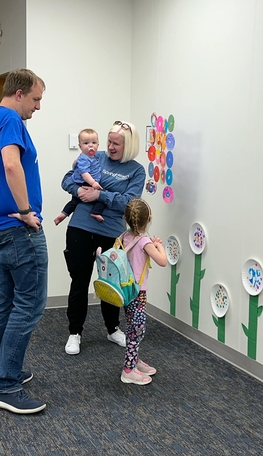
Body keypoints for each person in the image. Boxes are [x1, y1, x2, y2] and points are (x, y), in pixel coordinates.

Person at [0, 69, 48, 414]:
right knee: (30, 304)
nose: (37, 107)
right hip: (18, 228)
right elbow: (11, 165)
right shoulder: (10, 120)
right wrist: (25, 211)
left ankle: (1, 372)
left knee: (3, 301)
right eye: (35, 99)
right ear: (19, 94)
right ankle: (5, 386)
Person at [61, 120, 146, 355]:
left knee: (111, 284)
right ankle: (74, 333)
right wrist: (78, 190)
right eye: (109, 142)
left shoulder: (136, 171)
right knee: (79, 282)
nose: (109, 147)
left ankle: (112, 329)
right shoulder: (94, 156)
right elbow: (67, 179)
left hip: (110, 233)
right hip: (80, 228)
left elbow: (129, 202)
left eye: (116, 144)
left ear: (128, 146)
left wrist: (100, 194)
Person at [119, 198, 167, 385]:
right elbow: (162, 261)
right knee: (136, 329)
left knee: (133, 325)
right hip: (138, 293)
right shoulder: (144, 241)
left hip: (125, 290)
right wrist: (158, 245)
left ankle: (134, 360)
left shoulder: (125, 236)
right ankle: (128, 370)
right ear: (149, 219)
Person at [54, 128, 106, 225]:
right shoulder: (84, 158)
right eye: (86, 143)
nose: (90, 145)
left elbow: (75, 166)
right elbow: (85, 173)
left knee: (75, 201)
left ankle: (63, 214)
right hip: (84, 182)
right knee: (102, 196)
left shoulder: (94, 157)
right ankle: (96, 212)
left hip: (86, 182)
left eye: (94, 142)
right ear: (80, 146)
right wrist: (93, 183)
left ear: (98, 145)